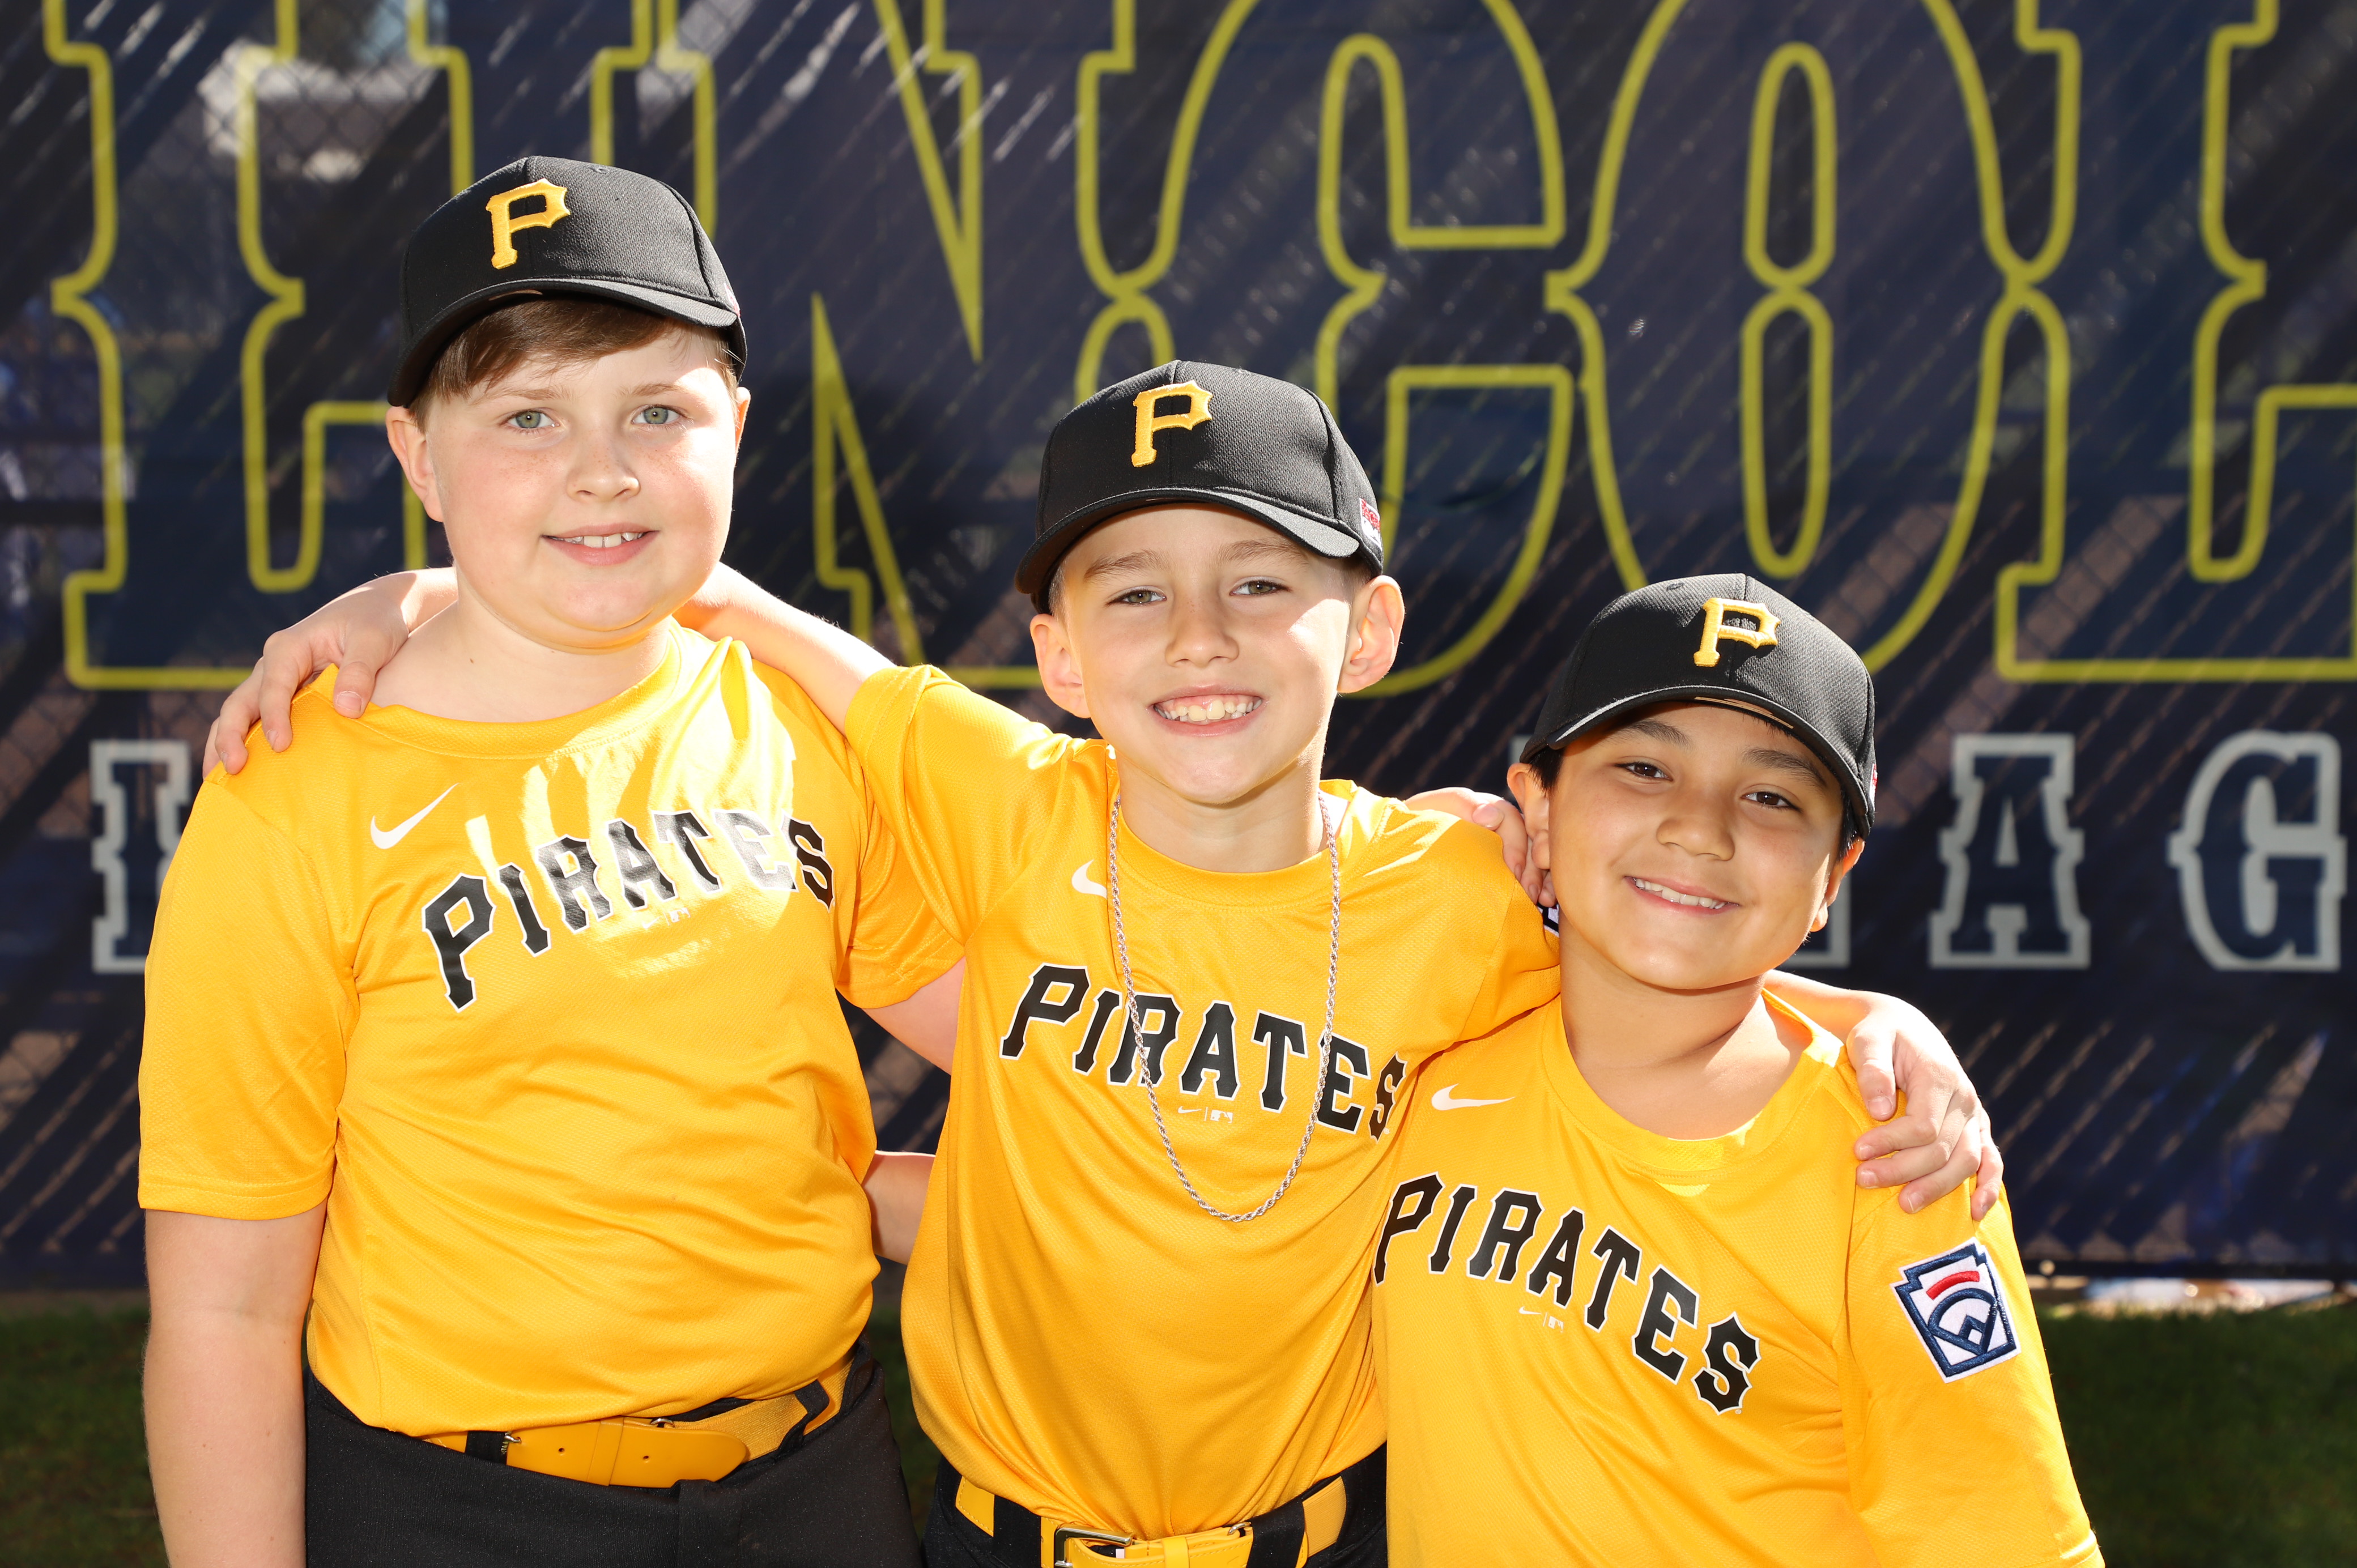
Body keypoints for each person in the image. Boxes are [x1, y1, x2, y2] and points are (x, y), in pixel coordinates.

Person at [209, 364, 2001, 1567]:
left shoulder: (1457, 891)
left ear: (1369, 627)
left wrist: (1878, 1027)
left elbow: (1673, 939)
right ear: (1058, 653)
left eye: (1262, 584)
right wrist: (406, 600)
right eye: (1133, 591)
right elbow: (695, 594)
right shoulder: (1001, 796)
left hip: (1323, 1531)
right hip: (994, 1533)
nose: (1199, 635)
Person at [139, 157, 960, 1568]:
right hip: (462, 1507)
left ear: (735, 425)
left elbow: (1039, 1041)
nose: (602, 468)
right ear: (417, 455)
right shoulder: (297, 789)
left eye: (658, 410)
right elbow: (225, 1305)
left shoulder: (790, 721)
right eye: (528, 415)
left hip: (817, 1476)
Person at [1372, 575, 2098, 1566]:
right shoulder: (1424, 1053)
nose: (1700, 829)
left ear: (1833, 876)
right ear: (1536, 807)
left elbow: (2005, 1541)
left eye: (1771, 797)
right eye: (1643, 768)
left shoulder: (1899, 1161)